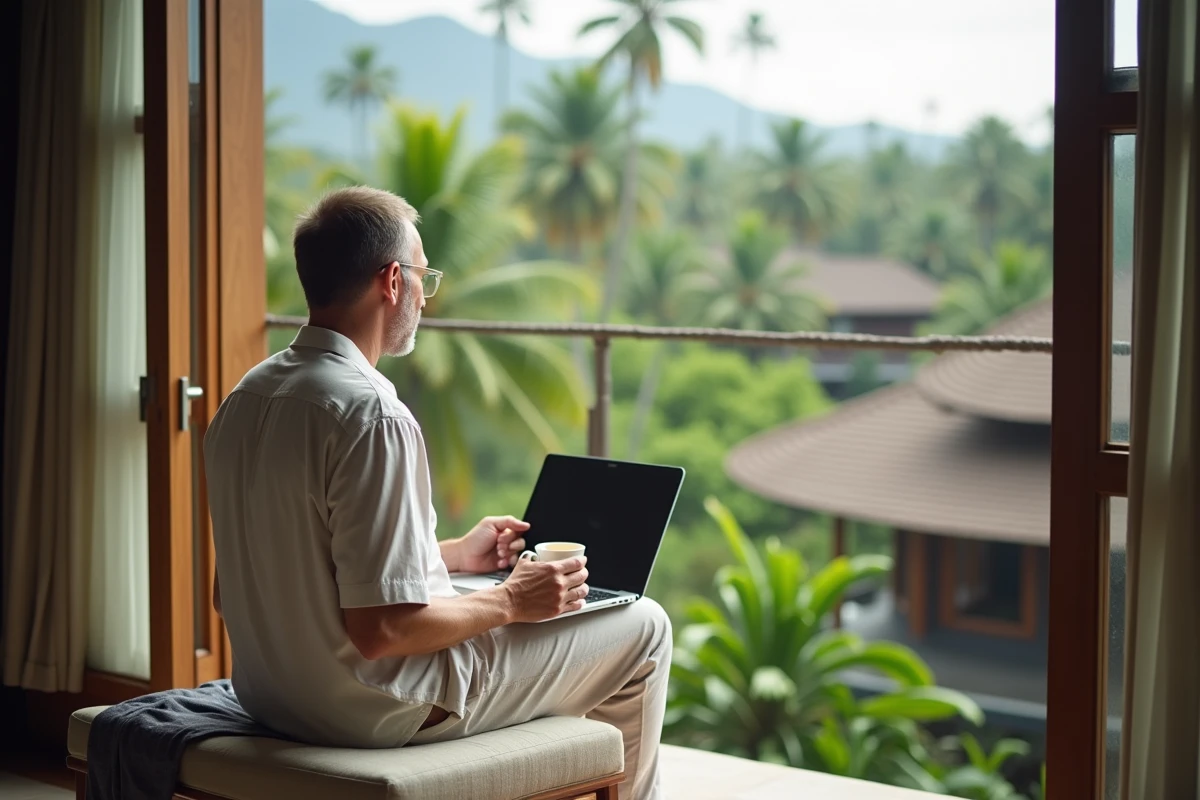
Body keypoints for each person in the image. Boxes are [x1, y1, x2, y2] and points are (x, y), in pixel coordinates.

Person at [203, 186, 671, 800]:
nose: (426, 296)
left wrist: (450, 557)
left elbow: (247, 583)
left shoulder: (245, 398)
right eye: (424, 277)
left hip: (273, 697)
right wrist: (511, 599)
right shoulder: (372, 415)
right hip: (378, 710)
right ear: (393, 280)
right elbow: (384, 631)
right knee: (645, 625)